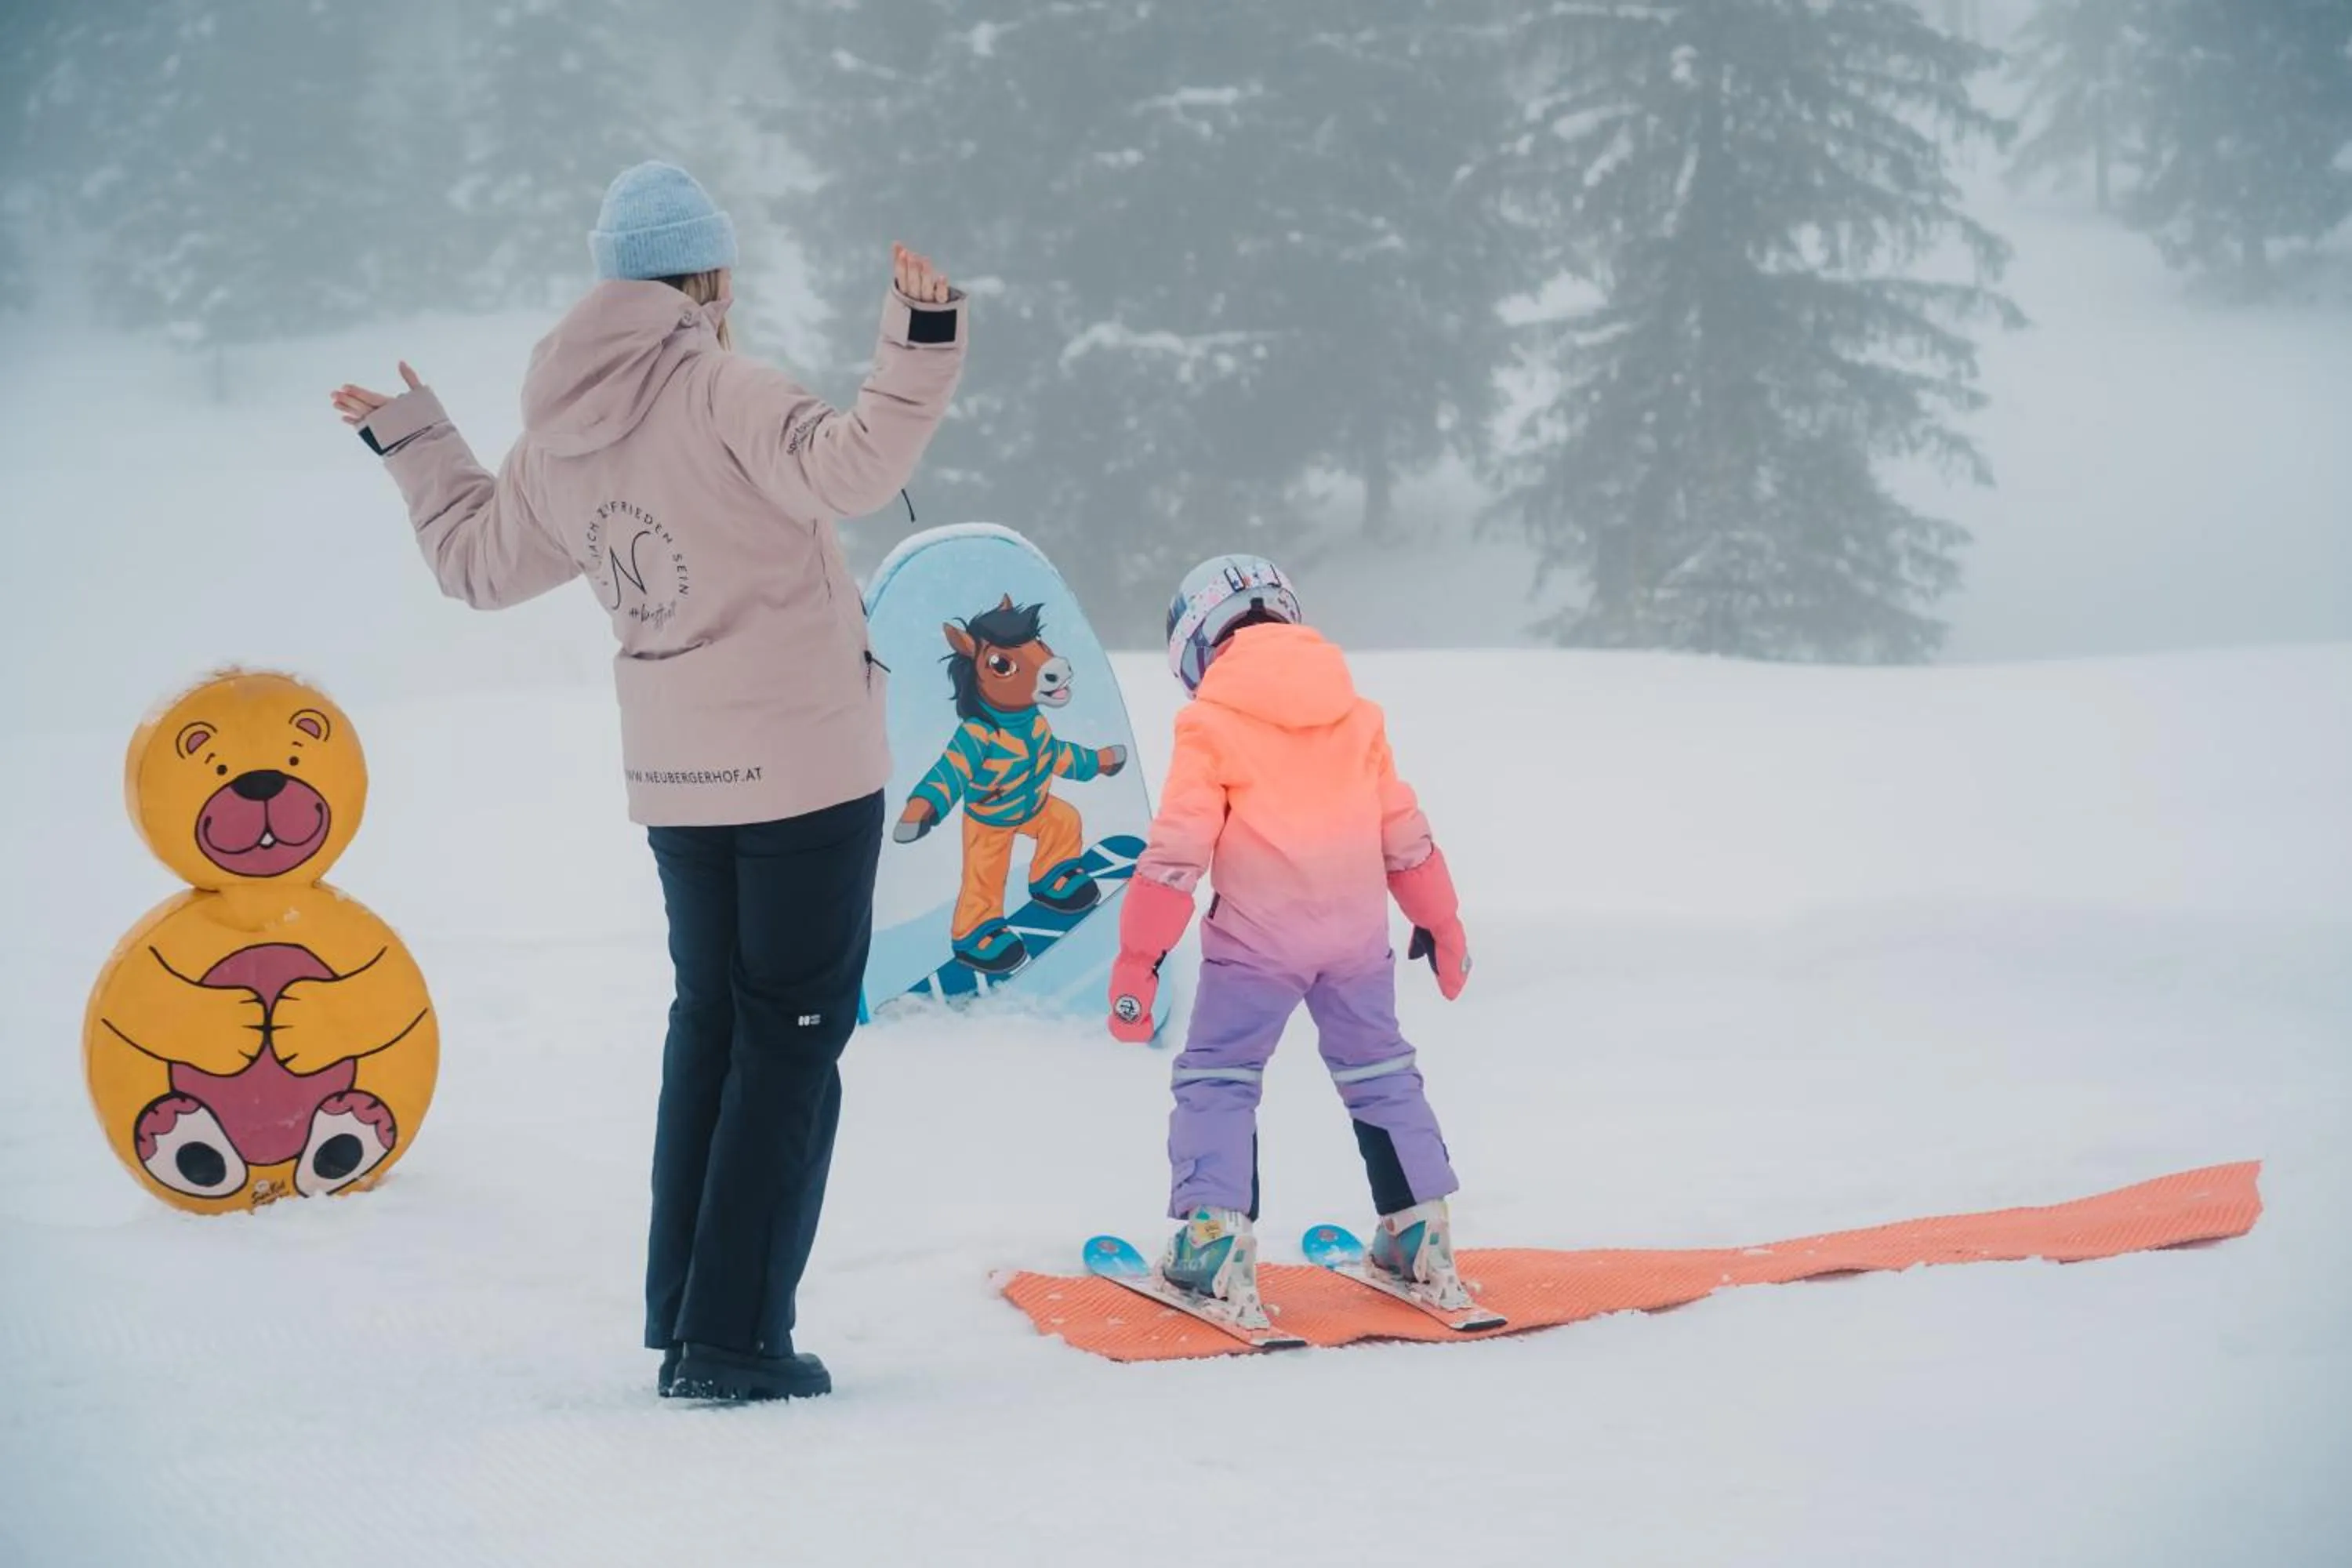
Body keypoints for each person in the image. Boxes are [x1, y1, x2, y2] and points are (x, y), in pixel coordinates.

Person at [328, 162, 967, 1402]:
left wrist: (415, 441)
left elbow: (475, 562)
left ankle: (689, 1318)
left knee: (714, 1029)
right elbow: (852, 473)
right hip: (800, 771)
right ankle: (731, 1343)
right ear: (710, 280)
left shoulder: (559, 426)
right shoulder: (724, 387)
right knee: (786, 1042)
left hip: (680, 783)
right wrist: (920, 338)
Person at [1105, 555, 1476, 1330]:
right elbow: (1402, 834)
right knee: (1381, 1072)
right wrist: (1440, 921)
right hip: (1355, 938)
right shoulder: (1356, 713)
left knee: (1219, 1076)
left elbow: (1178, 851)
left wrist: (1139, 956)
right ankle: (1420, 1234)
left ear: (1200, 644)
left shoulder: (1209, 721)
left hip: (1256, 945)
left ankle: (1214, 1243)